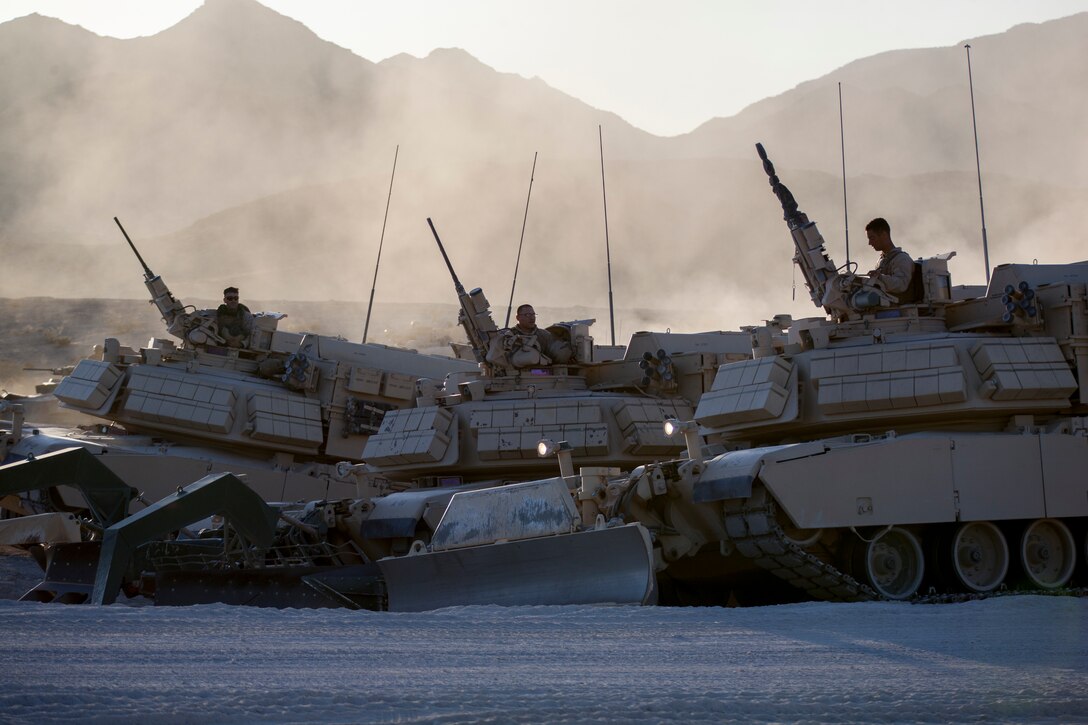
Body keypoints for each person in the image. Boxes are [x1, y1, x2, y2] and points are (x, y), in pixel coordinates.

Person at [486, 303, 573, 369]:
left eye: (533, 314)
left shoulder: (544, 335)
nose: (532, 318)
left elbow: (560, 354)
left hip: (543, 376)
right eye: (527, 315)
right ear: (518, 318)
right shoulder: (509, 336)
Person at [865, 217, 917, 303]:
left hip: (899, 310)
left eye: (872, 238)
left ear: (884, 235)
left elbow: (901, 284)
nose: (869, 243)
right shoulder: (881, 260)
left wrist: (880, 277)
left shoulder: (901, 259)